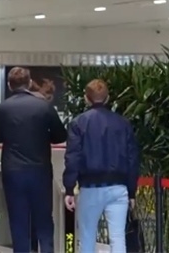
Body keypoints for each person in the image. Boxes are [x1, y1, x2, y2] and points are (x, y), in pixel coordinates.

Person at [0, 67, 68, 253]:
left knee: (18, 220)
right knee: (44, 218)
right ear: (30, 83)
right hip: (40, 171)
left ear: (9, 85)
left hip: (13, 172)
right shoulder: (44, 106)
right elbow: (60, 135)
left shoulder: (2, 109)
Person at [62, 79, 141, 253]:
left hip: (90, 188)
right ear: (108, 98)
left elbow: (73, 158)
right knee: (118, 238)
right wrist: (131, 191)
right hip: (119, 187)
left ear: (86, 98)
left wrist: (69, 188)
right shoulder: (123, 123)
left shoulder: (78, 123)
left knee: (87, 237)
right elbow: (132, 158)